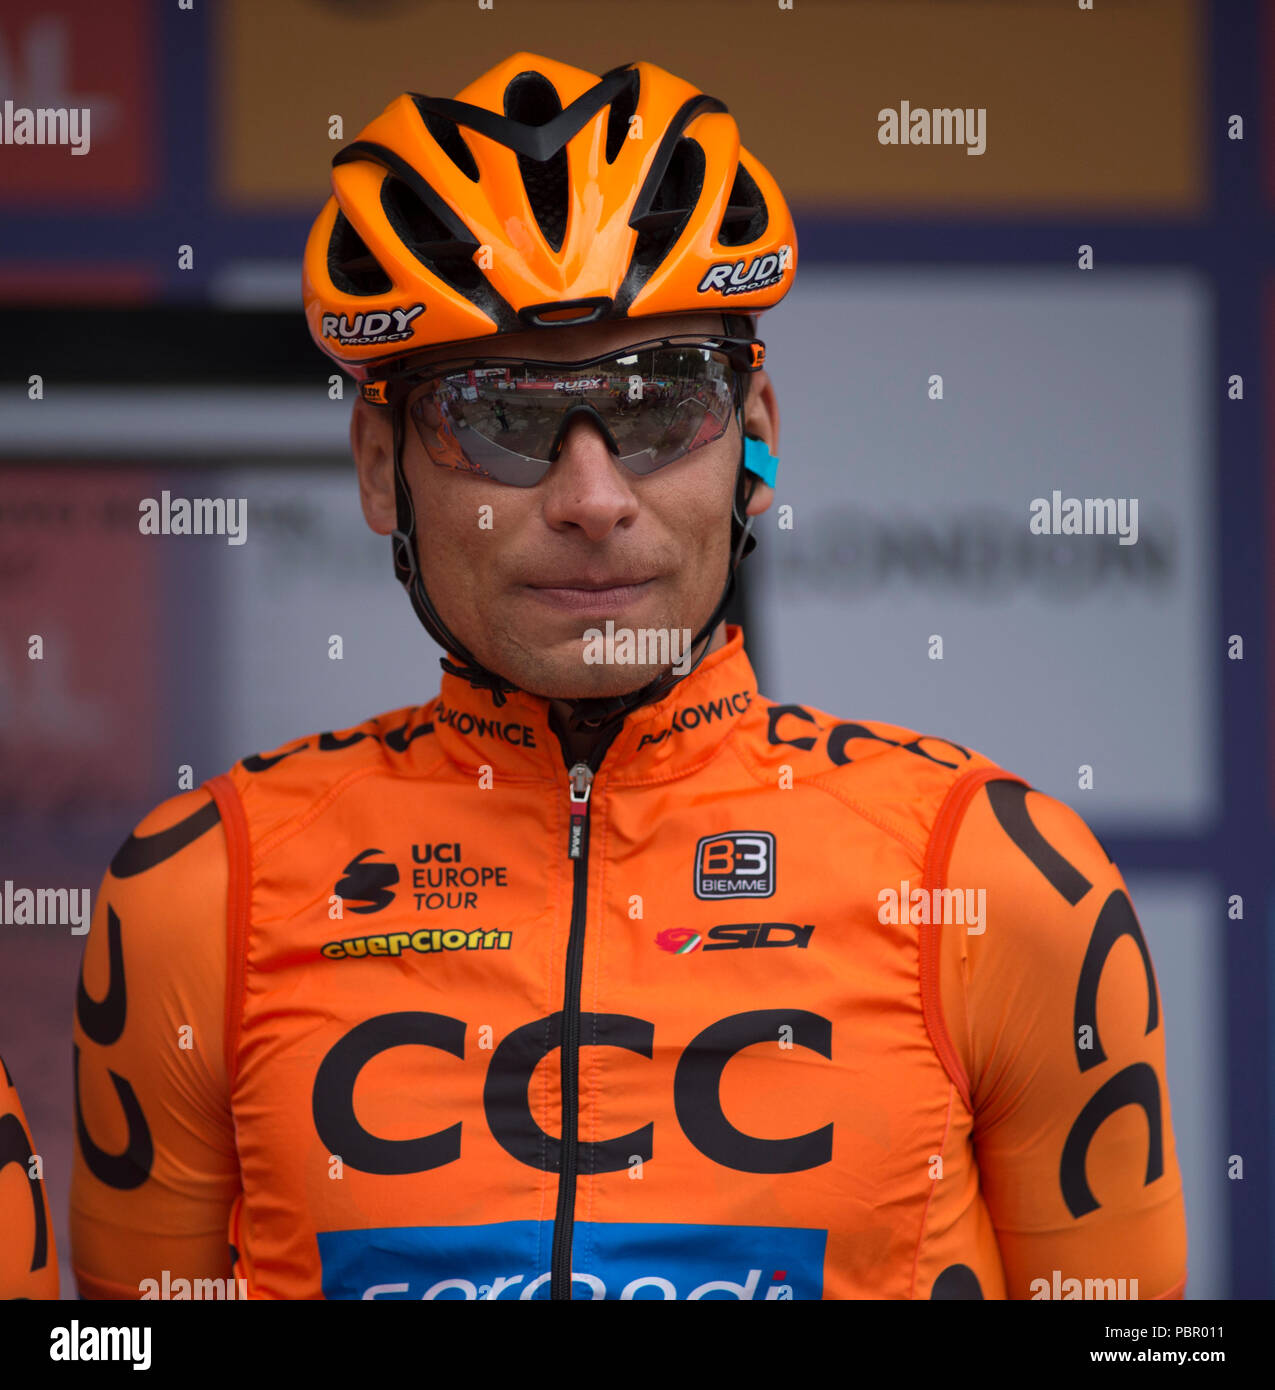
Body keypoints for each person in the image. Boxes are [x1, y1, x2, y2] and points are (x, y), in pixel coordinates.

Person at [70, 52, 1187, 1301]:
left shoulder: (993, 877)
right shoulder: (197, 893)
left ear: (755, 428)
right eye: (500, 416)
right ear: (382, 463)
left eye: (659, 408)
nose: (593, 499)